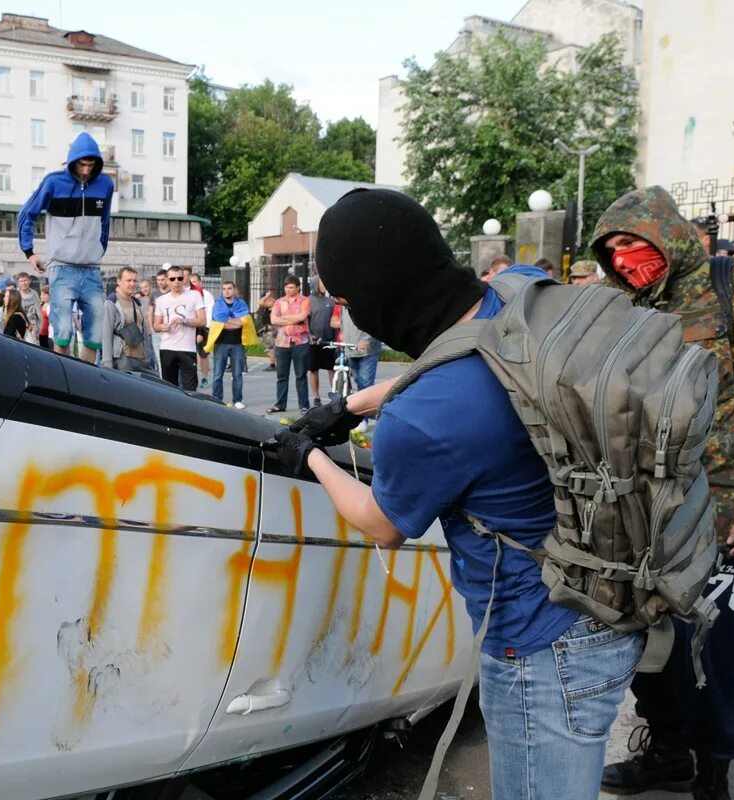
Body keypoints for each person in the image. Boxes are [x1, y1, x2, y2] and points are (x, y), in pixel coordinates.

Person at [272, 188, 642, 800]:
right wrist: (356, 403)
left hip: (540, 643)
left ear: (378, 294)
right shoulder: (517, 290)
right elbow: (473, 361)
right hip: (613, 589)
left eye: (349, 300)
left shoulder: (424, 418)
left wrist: (309, 455)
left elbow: (383, 522)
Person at [592, 186, 734, 800]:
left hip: (733, 510)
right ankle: (669, 753)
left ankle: (715, 772)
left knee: (713, 650)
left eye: (634, 242)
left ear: (667, 235)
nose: (625, 258)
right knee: (653, 645)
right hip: (649, 513)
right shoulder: (623, 310)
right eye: (613, 249)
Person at [17, 132, 113, 364]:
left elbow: (105, 221)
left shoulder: (105, 184)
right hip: (62, 267)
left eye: (91, 165)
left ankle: (87, 380)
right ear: (73, 161)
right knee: (62, 331)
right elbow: (26, 214)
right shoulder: (54, 182)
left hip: (91, 268)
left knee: (94, 332)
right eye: (82, 164)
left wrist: (100, 249)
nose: (87, 170)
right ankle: (66, 377)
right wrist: (29, 251)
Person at [205, 280, 257, 408]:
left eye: (229, 288)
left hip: (237, 344)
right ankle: (216, 399)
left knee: (237, 374)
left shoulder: (241, 304)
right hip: (221, 343)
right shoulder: (218, 305)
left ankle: (237, 400)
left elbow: (243, 322)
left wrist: (229, 322)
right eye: (224, 289)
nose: (227, 291)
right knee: (218, 374)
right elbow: (220, 320)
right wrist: (234, 321)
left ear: (234, 290)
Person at [153, 265, 206, 389]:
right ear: (167, 280)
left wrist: (184, 321)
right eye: (172, 279)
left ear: (184, 279)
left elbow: (203, 321)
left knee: (190, 388)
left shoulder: (194, 295)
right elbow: (155, 325)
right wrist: (162, 327)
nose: (176, 281)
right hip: (167, 347)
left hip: (187, 348)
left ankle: (190, 409)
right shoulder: (161, 300)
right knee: (168, 387)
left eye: (179, 278)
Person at [267, 275, 311, 414]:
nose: (288, 289)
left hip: (300, 342)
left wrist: (283, 319)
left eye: (291, 287)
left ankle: (304, 405)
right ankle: (280, 404)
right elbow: (273, 320)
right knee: (281, 376)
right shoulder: (279, 302)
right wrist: (293, 320)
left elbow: (302, 317)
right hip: (282, 343)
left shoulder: (305, 300)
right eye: (286, 287)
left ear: (298, 287)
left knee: (301, 376)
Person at [102, 266, 153, 373]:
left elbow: (145, 333)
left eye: (135, 280)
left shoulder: (138, 303)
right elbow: (106, 334)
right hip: (123, 358)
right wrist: (107, 364)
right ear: (119, 281)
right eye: (128, 280)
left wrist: (148, 357)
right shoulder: (111, 303)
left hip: (141, 358)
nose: (132, 284)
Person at [307, 276, 337, 407]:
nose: (325, 285)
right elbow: (305, 321)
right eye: (322, 283)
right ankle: (316, 397)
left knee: (332, 369)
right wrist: (309, 335)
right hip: (314, 342)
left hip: (329, 341)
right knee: (314, 370)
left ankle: (335, 394)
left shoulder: (330, 302)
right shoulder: (308, 301)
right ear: (315, 285)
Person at [188, 271, 215, 388]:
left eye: (194, 282)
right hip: (191, 328)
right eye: (191, 282)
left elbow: (209, 313)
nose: (193, 284)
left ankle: (204, 377)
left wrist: (204, 330)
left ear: (200, 282)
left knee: (203, 354)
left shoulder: (206, 295)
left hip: (203, 328)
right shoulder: (188, 294)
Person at [254, 290, 277, 371]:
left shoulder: (273, 303)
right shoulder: (269, 306)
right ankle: (273, 363)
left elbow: (260, 302)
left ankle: (272, 365)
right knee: (271, 347)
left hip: (270, 329)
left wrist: (267, 296)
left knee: (270, 347)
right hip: (269, 328)